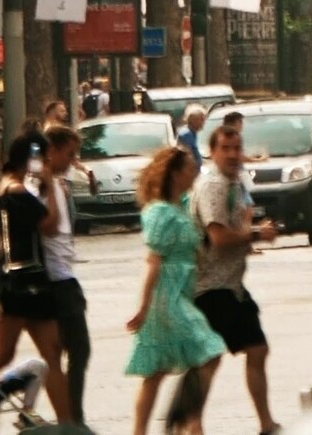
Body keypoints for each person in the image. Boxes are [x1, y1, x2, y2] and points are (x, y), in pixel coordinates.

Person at [125, 144, 226, 435]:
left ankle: (178, 424)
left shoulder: (180, 204)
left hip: (182, 293)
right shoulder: (160, 213)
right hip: (166, 297)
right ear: (177, 173)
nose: (195, 172)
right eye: (190, 168)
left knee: (157, 371)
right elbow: (153, 262)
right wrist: (143, 308)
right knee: (207, 351)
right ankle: (188, 424)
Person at [191, 113, 280, 435]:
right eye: (225, 148)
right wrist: (256, 234)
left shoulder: (233, 183)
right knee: (209, 359)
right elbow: (218, 237)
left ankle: (266, 423)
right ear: (212, 152)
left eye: (236, 147)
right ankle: (192, 425)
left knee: (256, 349)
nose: (232, 154)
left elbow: (238, 224)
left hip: (231, 286)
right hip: (210, 287)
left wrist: (250, 225)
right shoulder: (213, 185)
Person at [0, 136, 73, 423]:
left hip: (28, 279)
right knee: (2, 356)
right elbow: (49, 225)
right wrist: (49, 184)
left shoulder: (13, 187)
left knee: (52, 353)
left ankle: (67, 425)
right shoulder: (15, 191)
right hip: (20, 282)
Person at [40, 125, 93, 419]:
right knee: (77, 349)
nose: (73, 161)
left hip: (62, 274)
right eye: (69, 155)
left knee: (60, 352)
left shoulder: (57, 183)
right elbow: (47, 226)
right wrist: (49, 186)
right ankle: (73, 416)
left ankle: (69, 415)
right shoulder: (42, 185)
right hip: (56, 280)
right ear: (53, 151)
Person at [177, 105, 208, 173]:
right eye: (201, 119)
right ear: (193, 120)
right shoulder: (186, 134)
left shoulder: (193, 133)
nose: (204, 123)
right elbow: (187, 158)